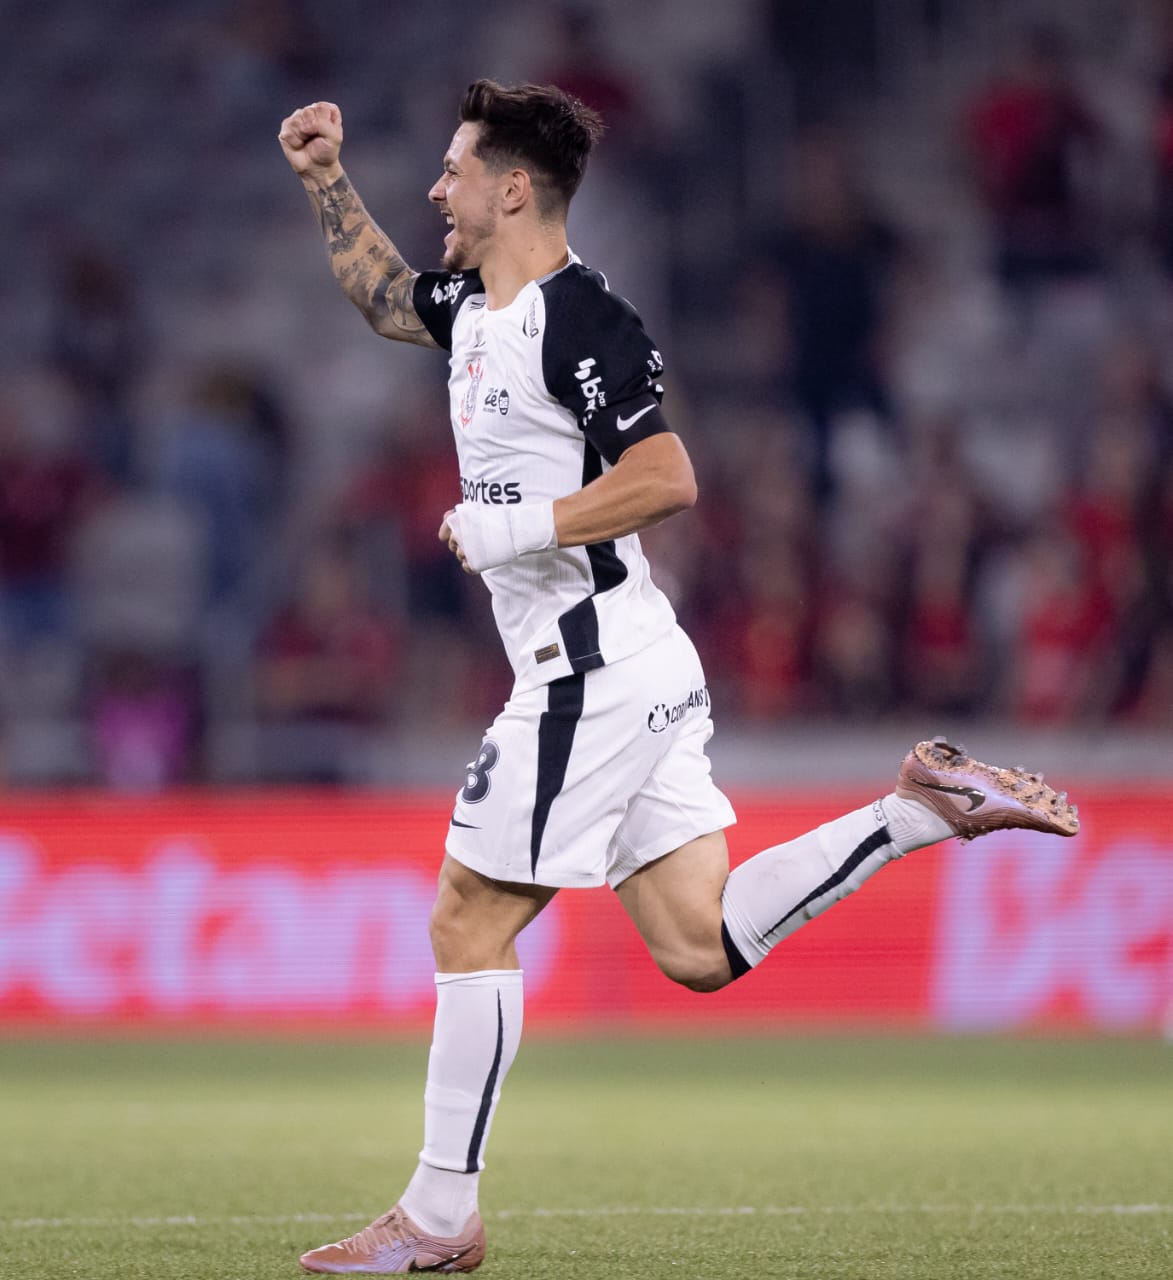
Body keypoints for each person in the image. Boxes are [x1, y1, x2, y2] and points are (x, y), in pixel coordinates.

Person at [278, 81, 1080, 1275]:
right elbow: (390, 298)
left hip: (588, 660)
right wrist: (322, 177)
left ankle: (439, 1218)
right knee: (698, 944)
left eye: (453, 171)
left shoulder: (584, 317)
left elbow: (669, 474)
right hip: (635, 653)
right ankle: (919, 810)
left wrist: (518, 527)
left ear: (514, 188)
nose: (435, 190)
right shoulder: (477, 307)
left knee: (467, 915)